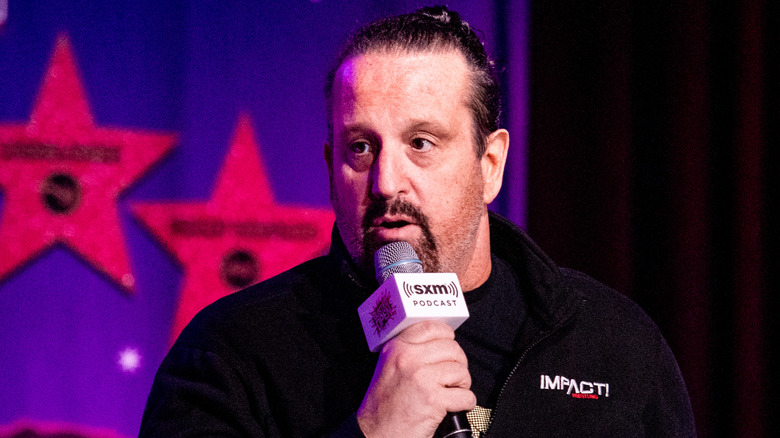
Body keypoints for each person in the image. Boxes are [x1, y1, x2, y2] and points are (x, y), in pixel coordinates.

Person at [140, 6, 696, 437]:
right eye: (361, 147)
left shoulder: (611, 343)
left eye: (421, 143)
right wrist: (375, 431)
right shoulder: (231, 354)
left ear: (491, 165)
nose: (385, 182)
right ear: (331, 168)